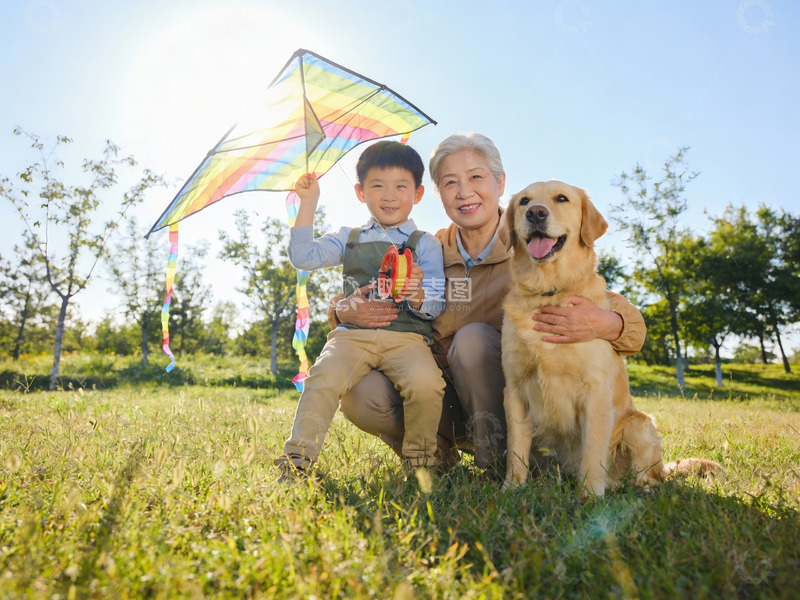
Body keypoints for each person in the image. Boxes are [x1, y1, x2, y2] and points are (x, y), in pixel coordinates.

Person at [331, 133, 647, 473]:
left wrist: (611, 324)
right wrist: (342, 310)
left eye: (476, 177)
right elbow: (372, 292)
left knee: (473, 340)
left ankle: (499, 466)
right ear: (438, 194)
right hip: (440, 395)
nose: (464, 192)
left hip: (506, 399)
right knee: (359, 392)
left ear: (500, 182)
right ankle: (436, 455)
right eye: (450, 182)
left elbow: (624, 319)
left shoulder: (535, 246)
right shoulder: (423, 250)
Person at [274, 140, 447, 481]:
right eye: (377, 186)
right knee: (322, 379)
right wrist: (308, 203)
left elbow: (437, 302)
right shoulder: (348, 237)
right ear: (360, 191)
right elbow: (303, 257)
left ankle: (421, 463)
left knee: (427, 384)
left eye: (401, 186)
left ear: (418, 193)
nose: (389, 196)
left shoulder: (426, 243)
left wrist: (416, 292)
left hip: (407, 338)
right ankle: (297, 462)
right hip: (350, 337)